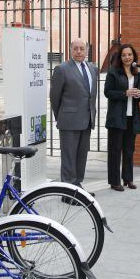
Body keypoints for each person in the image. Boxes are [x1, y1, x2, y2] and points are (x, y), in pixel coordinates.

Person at [50, 38, 98, 191]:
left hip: (87, 120)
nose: (79, 51)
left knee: (81, 157)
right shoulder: (62, 69)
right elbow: (54, 97)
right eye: (75, 48)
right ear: (70, 50)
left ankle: (77, 188)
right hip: (69, 121)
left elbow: (91, 95)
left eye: (82, 49)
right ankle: (67, 192)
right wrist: (61, 117)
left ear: (87, 51)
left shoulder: (92, 68)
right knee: (69, 158)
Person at [104, 44, 140, 191]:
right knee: (115, 150)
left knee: (129, 150)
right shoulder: (113, 72)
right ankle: (114, 182)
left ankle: (128, 179)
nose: (127, 57)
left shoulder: (138, 73)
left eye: (129, 55)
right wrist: (124, 94)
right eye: (124, 55)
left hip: (131, 117)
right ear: (120, 58)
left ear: (134, 56)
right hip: (116, 118)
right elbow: (107, 92)